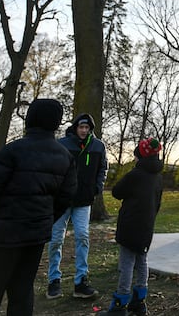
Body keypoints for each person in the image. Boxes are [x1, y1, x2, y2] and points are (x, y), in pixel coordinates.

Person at [0, 98, 77, 316]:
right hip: (35, 235)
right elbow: (65, 198)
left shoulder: (11, 151)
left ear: (30, 119)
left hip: (2, 235)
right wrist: (44, 219)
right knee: (22, 292)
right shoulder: (65, 157)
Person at [98, 137, 163, 316]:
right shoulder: (158, 177)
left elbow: (117, 191)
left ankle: (120, 303)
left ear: (140, 156)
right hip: (146, 225)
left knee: (126, 263)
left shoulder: (135, 175)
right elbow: (158, 202)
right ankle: (139, 301)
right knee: (142, 261)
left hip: (130, 225)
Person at [47, 113, 108, 300]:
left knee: (83, 237)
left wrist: (96, 188)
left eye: (87, 128)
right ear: (75, 128)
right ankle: (53, 280)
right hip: (62, 201)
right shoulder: (62, 144)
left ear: (90, 129)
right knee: (56, 239)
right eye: (81, 127)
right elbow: (53, 169)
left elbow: (103, 168)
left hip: (84, 201)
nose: (83, 131)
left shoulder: (98, 146)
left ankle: (81, 281)